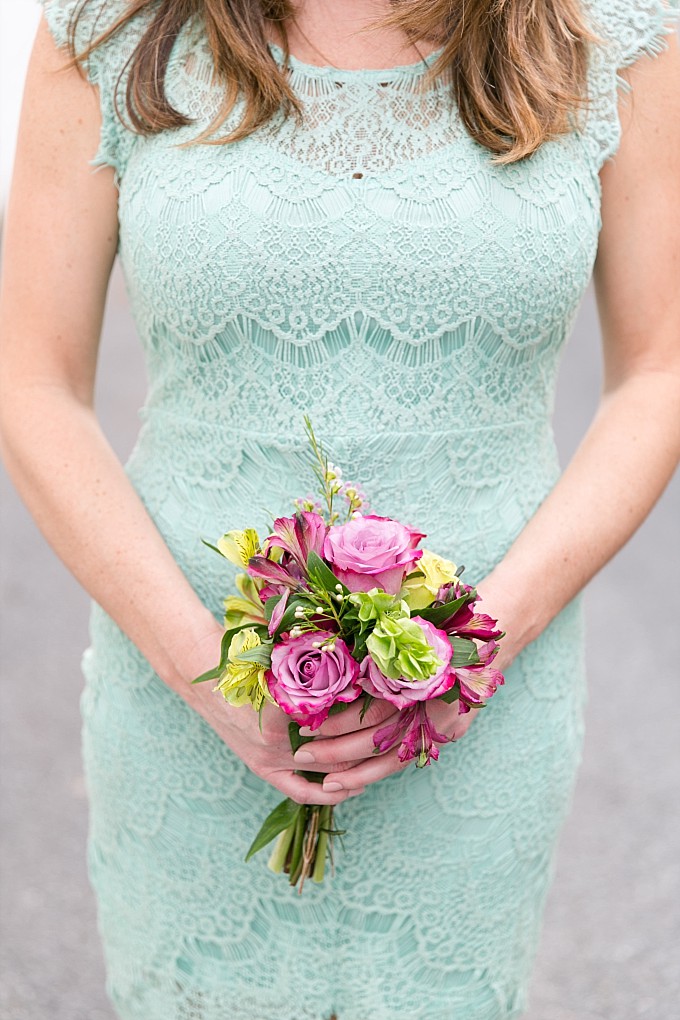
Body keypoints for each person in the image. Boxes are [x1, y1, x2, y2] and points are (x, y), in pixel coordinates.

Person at [0, 0, 678, 1017]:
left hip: (478, 723)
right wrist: (205, 671)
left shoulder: (612, 32)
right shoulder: (111, 26)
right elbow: (32, 382)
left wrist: (477, 648)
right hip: (186, 705)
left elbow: (658, 372)